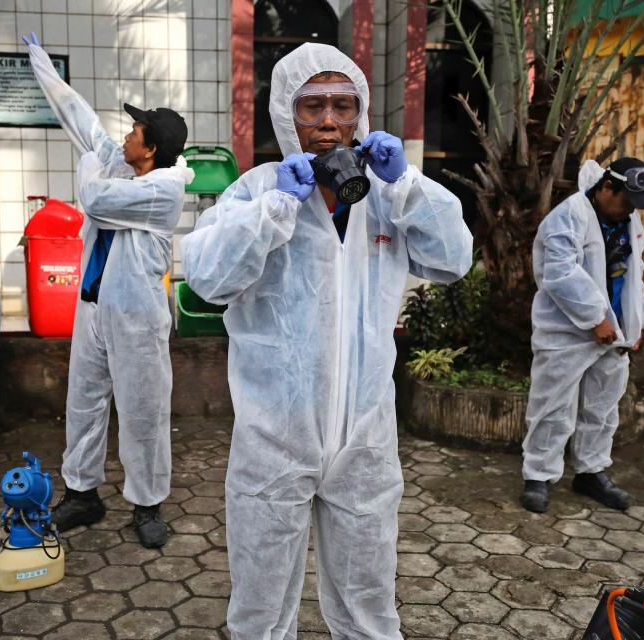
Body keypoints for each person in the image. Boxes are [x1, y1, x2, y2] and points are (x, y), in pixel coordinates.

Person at [181, 43, 473, 639]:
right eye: (312, 106)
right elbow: (207, 279)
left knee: (369, 603)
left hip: (364, 439)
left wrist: (408, 184)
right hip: (274, 439)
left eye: (345, 105)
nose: (330, 122)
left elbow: (453, 260)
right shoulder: (257, 191)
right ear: (286, 116)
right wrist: (274, 209)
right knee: (261, 609)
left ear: (363, 114)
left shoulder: (385, 195)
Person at [22, 34, 192, 548]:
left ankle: (147, 504)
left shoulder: (163, 190)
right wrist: (45, 69)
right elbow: (83, 123)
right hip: (94, 308)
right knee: (84, 402)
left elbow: (94, 200)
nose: (127, 133)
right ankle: (82, 493)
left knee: (143, 411)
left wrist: (92, 167)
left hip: (137, 319)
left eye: (136, 129)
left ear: (152, 147)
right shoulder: (124, 166)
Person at [520, 157, 644, 514]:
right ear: (606, 188)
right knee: (553, 405)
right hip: (566, 331)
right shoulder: (568, 217)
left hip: (616, 335)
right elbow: (559, 274)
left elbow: (635, 274)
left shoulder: (627, 219)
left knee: (603, 405)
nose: (631, 210)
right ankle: (538, 474)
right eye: (626, 200)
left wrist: (636, 324)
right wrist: (596, 318)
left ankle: (591, 471)